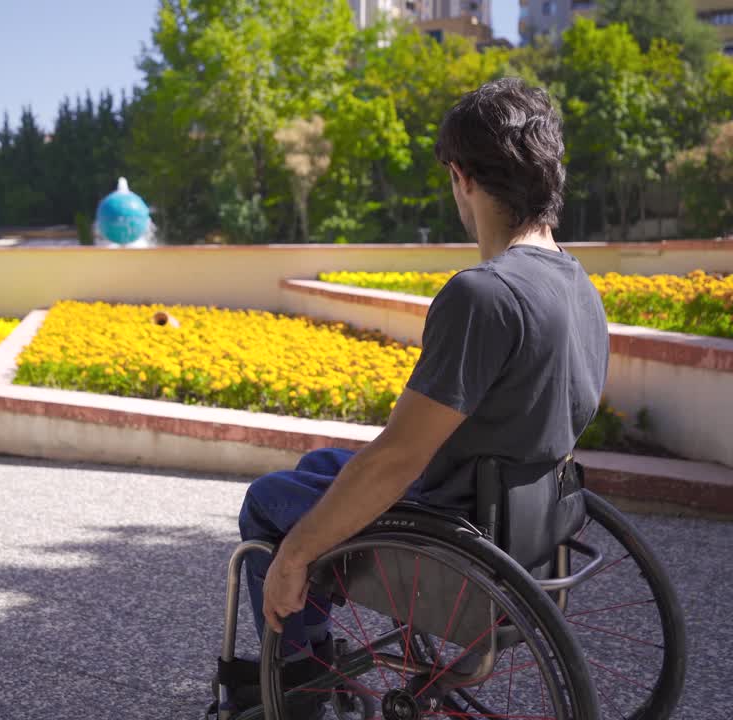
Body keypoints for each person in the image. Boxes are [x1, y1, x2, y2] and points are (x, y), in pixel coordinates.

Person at [233, 77, 610, 705]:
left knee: (270, 501)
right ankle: (318, 631)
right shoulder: (577, 283)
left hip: (455, 524)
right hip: (528, 516)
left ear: (462, 177)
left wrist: (296, 555)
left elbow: (397, 459)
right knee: (317, 467)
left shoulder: (484, 295)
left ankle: (298, 690)